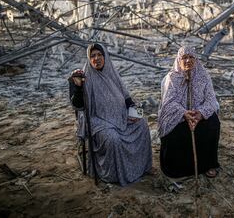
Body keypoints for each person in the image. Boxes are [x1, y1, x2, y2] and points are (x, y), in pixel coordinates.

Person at [69, 43, 152, 186]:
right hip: (98, 120)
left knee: (143, 124)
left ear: (105, 56)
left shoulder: (112, 73)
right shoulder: (83, 77)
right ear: (89, 59)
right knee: (113, 139)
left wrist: (135, 112)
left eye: (100, 55)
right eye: (93, 56)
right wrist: (77, 87)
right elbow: (78, 105)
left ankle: (141, 168)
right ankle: (116, 175)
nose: (97, 58)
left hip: (121, 116)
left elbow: (126, 97)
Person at [158, 46, 221, 178]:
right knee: (173, 127)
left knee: (213, 122)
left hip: (198, 114)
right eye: (184, 57)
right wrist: (184, 114)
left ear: (196, 59)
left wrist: (200, 114)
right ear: (178, 60)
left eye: (191, 57)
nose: (188, 61)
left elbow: (211, 100)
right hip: (179, 116)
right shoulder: (172, 78)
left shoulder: (203, 76)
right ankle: (177, 169)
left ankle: (208, 164)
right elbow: (168, 103)